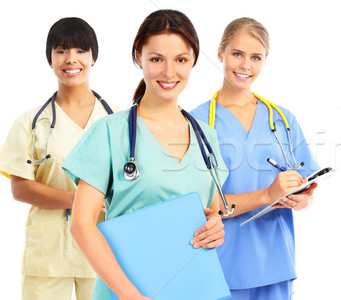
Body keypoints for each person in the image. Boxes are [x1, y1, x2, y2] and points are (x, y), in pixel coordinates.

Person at [62, 10, 227, 300]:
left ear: (193, 61)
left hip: (195, 287)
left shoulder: (206, 136)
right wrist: (131, 296)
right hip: (126, 292)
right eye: (156, 59)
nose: (169, 72)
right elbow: (81, 224)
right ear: (139, 57)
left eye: (181, 60)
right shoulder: (109, 132)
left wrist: (216, 228)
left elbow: (211, 212)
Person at [189, 17, 319, 299]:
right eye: (237, 54)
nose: (245, 65)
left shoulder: (283, 119)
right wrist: (268, 193)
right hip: (221, 262)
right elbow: (200, 206)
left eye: (255, 57)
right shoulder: (196, 122)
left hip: (275, 262)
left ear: (265, 60)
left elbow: (307, 189)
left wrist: (303, 199)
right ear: (220, 53)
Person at [0, 17, 117, 300]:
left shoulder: (119, 120)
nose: (70, 59)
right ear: (50, 59)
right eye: (61, 50)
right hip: (50, 255)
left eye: (80, 50)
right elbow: (20, 187)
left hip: (105, 251)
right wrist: (77, 200)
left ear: (93, 56)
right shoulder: (31, 122)